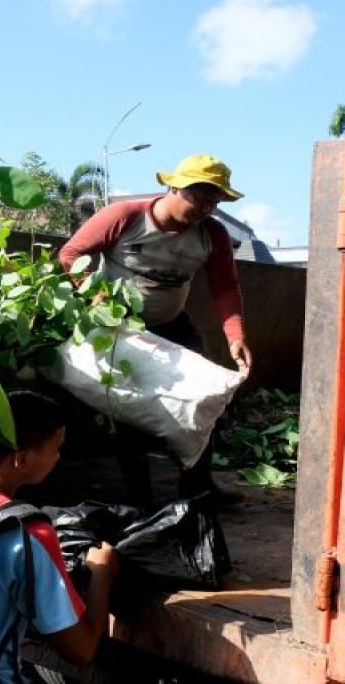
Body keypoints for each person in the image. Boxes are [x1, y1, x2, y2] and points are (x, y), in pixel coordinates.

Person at [58, 153, 252, 499]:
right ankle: (140, 499)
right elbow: (71, 254)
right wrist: (97, 296)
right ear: (174, 187)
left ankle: (198, 488)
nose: (207, 206)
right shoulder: (126, 217)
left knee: (202, 404)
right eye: (200, 196)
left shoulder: (212, 235)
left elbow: (225, 288)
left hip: (172, 327)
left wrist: (235, 336)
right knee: (128, 410)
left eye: (215, 199)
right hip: (120, 329)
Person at [0, 390, 120, 681]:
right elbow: (81, 649)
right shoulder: (26, 534)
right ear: (22, 459)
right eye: (55, 449)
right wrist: (101, 572)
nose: (57, 458)